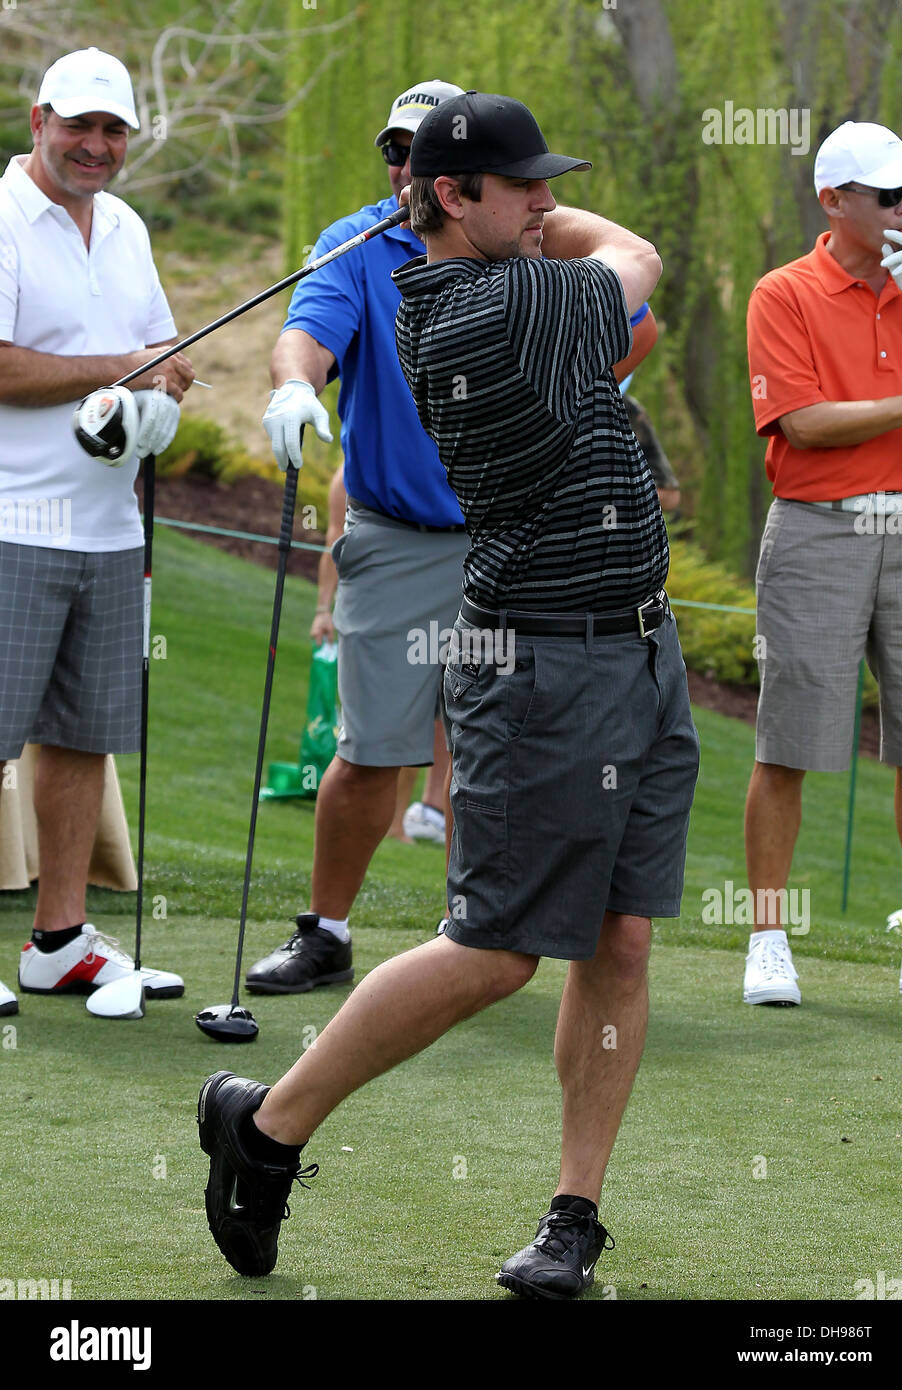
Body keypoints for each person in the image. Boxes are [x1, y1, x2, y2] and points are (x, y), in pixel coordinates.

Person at [198, 91, 699, 1302]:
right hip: (541, 665)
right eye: (517, 183)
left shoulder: (503, 267)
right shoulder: (483, 306)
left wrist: (494, 202)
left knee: (620, 934)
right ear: (450, 199)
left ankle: (573, 1213)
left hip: (638, 648)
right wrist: (538, 219)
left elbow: (602, 270)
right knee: (496, 951)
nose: (541, 199)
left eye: (545, 181)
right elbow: (638, 256)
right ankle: (266, 1126)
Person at [246, 80, 470, 995]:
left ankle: (478, 928)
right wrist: (295, 384)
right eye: (396, 148)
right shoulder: (357, 241)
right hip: (399, 535)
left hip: (516, 534)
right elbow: (308, 332)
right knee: (371, 753)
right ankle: (327, 932)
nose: (405, 166)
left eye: (427, 150)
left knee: (507, 750)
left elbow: (633, 324)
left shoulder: (525, 231)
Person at [0, 48, 193, 1015]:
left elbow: (158, 348)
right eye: (80, 125)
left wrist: (161, 382)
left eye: (113, 129)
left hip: (110, 526)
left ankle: (59, 940)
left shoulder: (124, 227)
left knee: (81, 737)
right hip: (12, 519)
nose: (97, 145)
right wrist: (121, 364)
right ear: (40, 121)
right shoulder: (0, 218)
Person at [743, 120, 902, 1006]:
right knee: (789, 746)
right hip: (820, 528)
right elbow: (805, 423)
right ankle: (769, 937)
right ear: (834, 203)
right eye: (888, 196)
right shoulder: (785, 293)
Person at [309, 462, 450, 845]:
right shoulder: (350, 477)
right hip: (396, 606)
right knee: (402, 723)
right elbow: (334, 541)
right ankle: (396, 822)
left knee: (448, 721)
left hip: (444, 599)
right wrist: (324, 609)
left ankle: (426, 811)